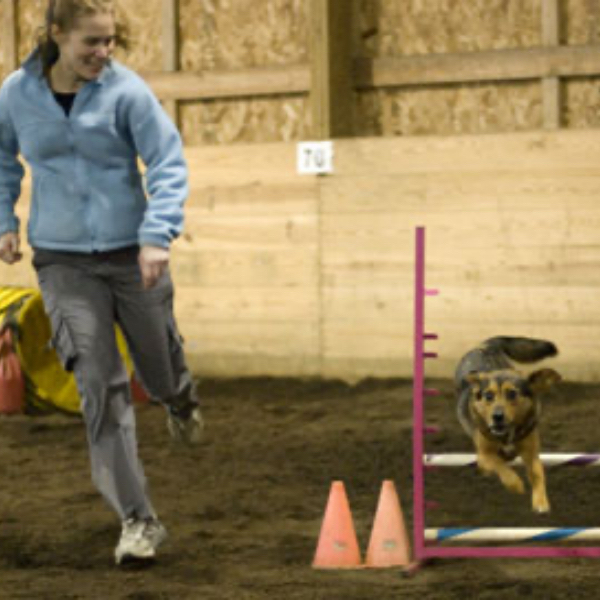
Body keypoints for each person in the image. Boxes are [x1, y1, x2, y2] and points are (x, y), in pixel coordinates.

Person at [0, 0, 203, 566]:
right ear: (57, 35)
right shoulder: (16, 93)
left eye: (110, 40)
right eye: (91, 41)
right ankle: (138, 520)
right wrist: (4, 222)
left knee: (157, 367)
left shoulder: (127, 91)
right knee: (98, 379)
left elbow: (167, 163)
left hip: (134, 255)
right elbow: (1, 161)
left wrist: (157, 235)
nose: (103, 52)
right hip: (62, 262)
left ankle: (179, 399)